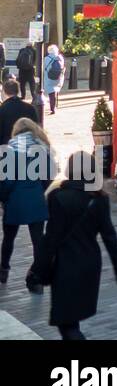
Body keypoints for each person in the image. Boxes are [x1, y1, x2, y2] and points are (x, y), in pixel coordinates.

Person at [30, 151, 117, 340]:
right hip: (90, 264)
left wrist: (37, 270)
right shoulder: (100, 198)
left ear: (71, 170)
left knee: (67, 324)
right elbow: (109, 236)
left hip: (66, 266)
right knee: (71, 321)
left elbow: (51, 239)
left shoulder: (58, 197)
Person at [0, 119, 54, 285]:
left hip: (14, 202)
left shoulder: (10, 150)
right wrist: (40, 192)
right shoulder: (42, 149)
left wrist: (3, 198)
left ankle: (4, 269)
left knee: (8, 238)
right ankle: (37, 274)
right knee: (37, 239)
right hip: (35, 199)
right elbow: (48, 177)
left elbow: (7, 181)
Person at [0, 80, 37, 145]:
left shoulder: (2, 109)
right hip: (26, 144)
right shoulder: (30, 108)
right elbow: (36, 129)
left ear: (5, 92)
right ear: (18, 91)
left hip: (7, 144)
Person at [42, 45, 65, 117]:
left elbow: (43, 68)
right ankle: (55, 105)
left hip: (49, 78)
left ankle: (52, 108)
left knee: (51, 93)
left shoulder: (46, 58)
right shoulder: (60, 58)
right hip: (59, 77)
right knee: (56, 91)